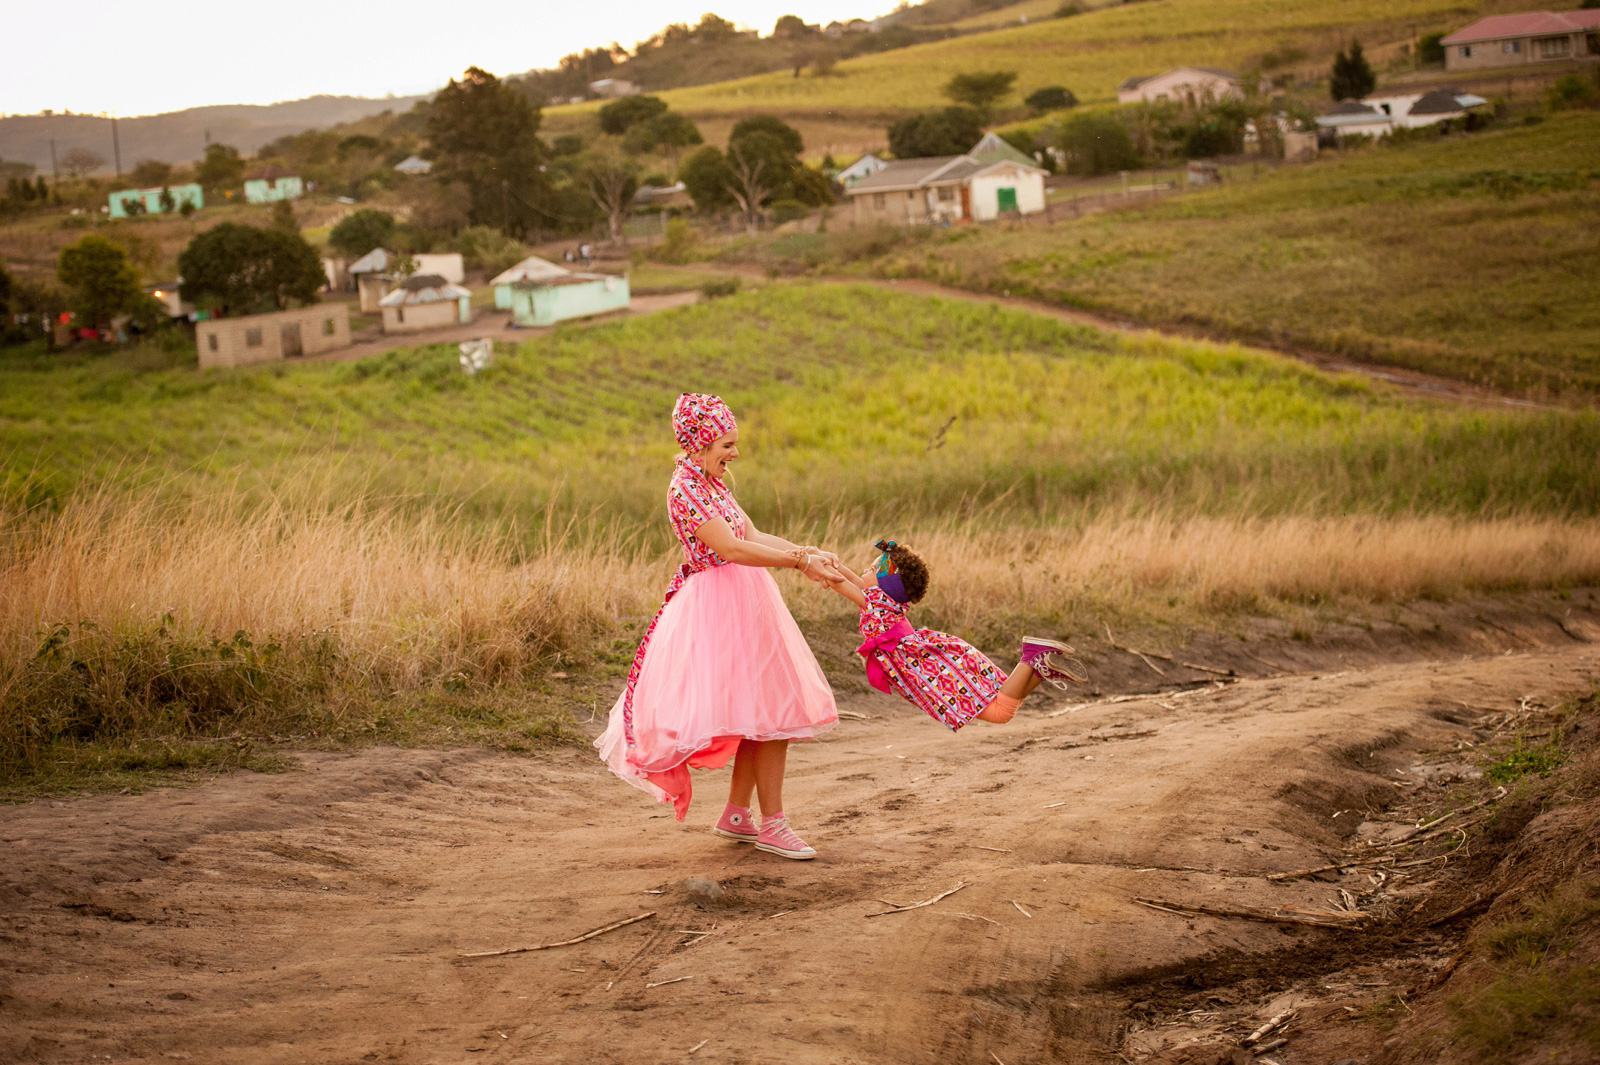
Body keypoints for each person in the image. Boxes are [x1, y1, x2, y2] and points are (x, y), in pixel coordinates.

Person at [596, 393, 839, 860]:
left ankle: (736, 814)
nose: (735, 453)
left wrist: (808, 553)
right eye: (727, 444)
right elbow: (731, 549)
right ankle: (774, 825)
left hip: (745, 601)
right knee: (770, 710)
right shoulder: (684, 489)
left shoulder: (712, 483)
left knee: (761, 710)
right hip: (719, 609)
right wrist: (798, 561)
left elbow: (753, 536)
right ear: (699, 442)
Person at [813, 540, 1086, 731]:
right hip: (932, 657)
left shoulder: (873, 602)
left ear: (886, 585)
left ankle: (1031, 658)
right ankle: (1040, 667)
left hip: (927, 667)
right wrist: (828, 562)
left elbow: (842, 582)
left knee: (1001, 713)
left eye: (872, 570)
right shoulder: (882, 602)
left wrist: (812, 565)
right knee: (1000, 697)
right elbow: (849, 578)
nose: (864, 572)